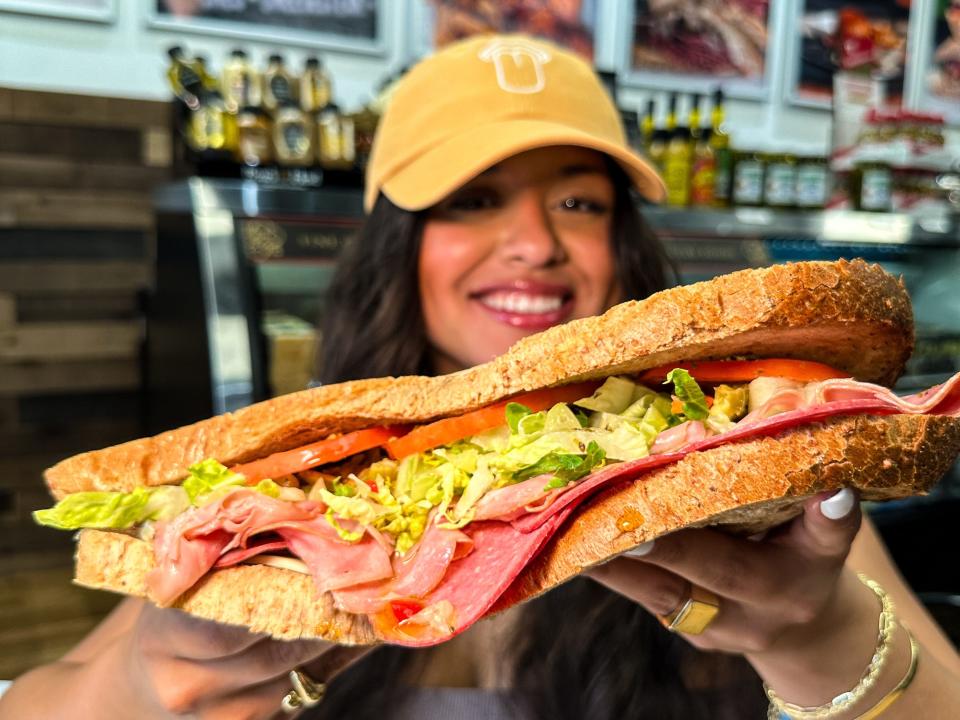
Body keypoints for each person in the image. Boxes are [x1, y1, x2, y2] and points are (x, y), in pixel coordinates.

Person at [2, 34, 959, 720]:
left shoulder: (755, 483)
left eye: (579, 200)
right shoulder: (299, 491)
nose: (536, 245)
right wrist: (143, 688)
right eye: (474, 200)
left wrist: (813, 638)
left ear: (623, 247)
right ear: (396, 250)